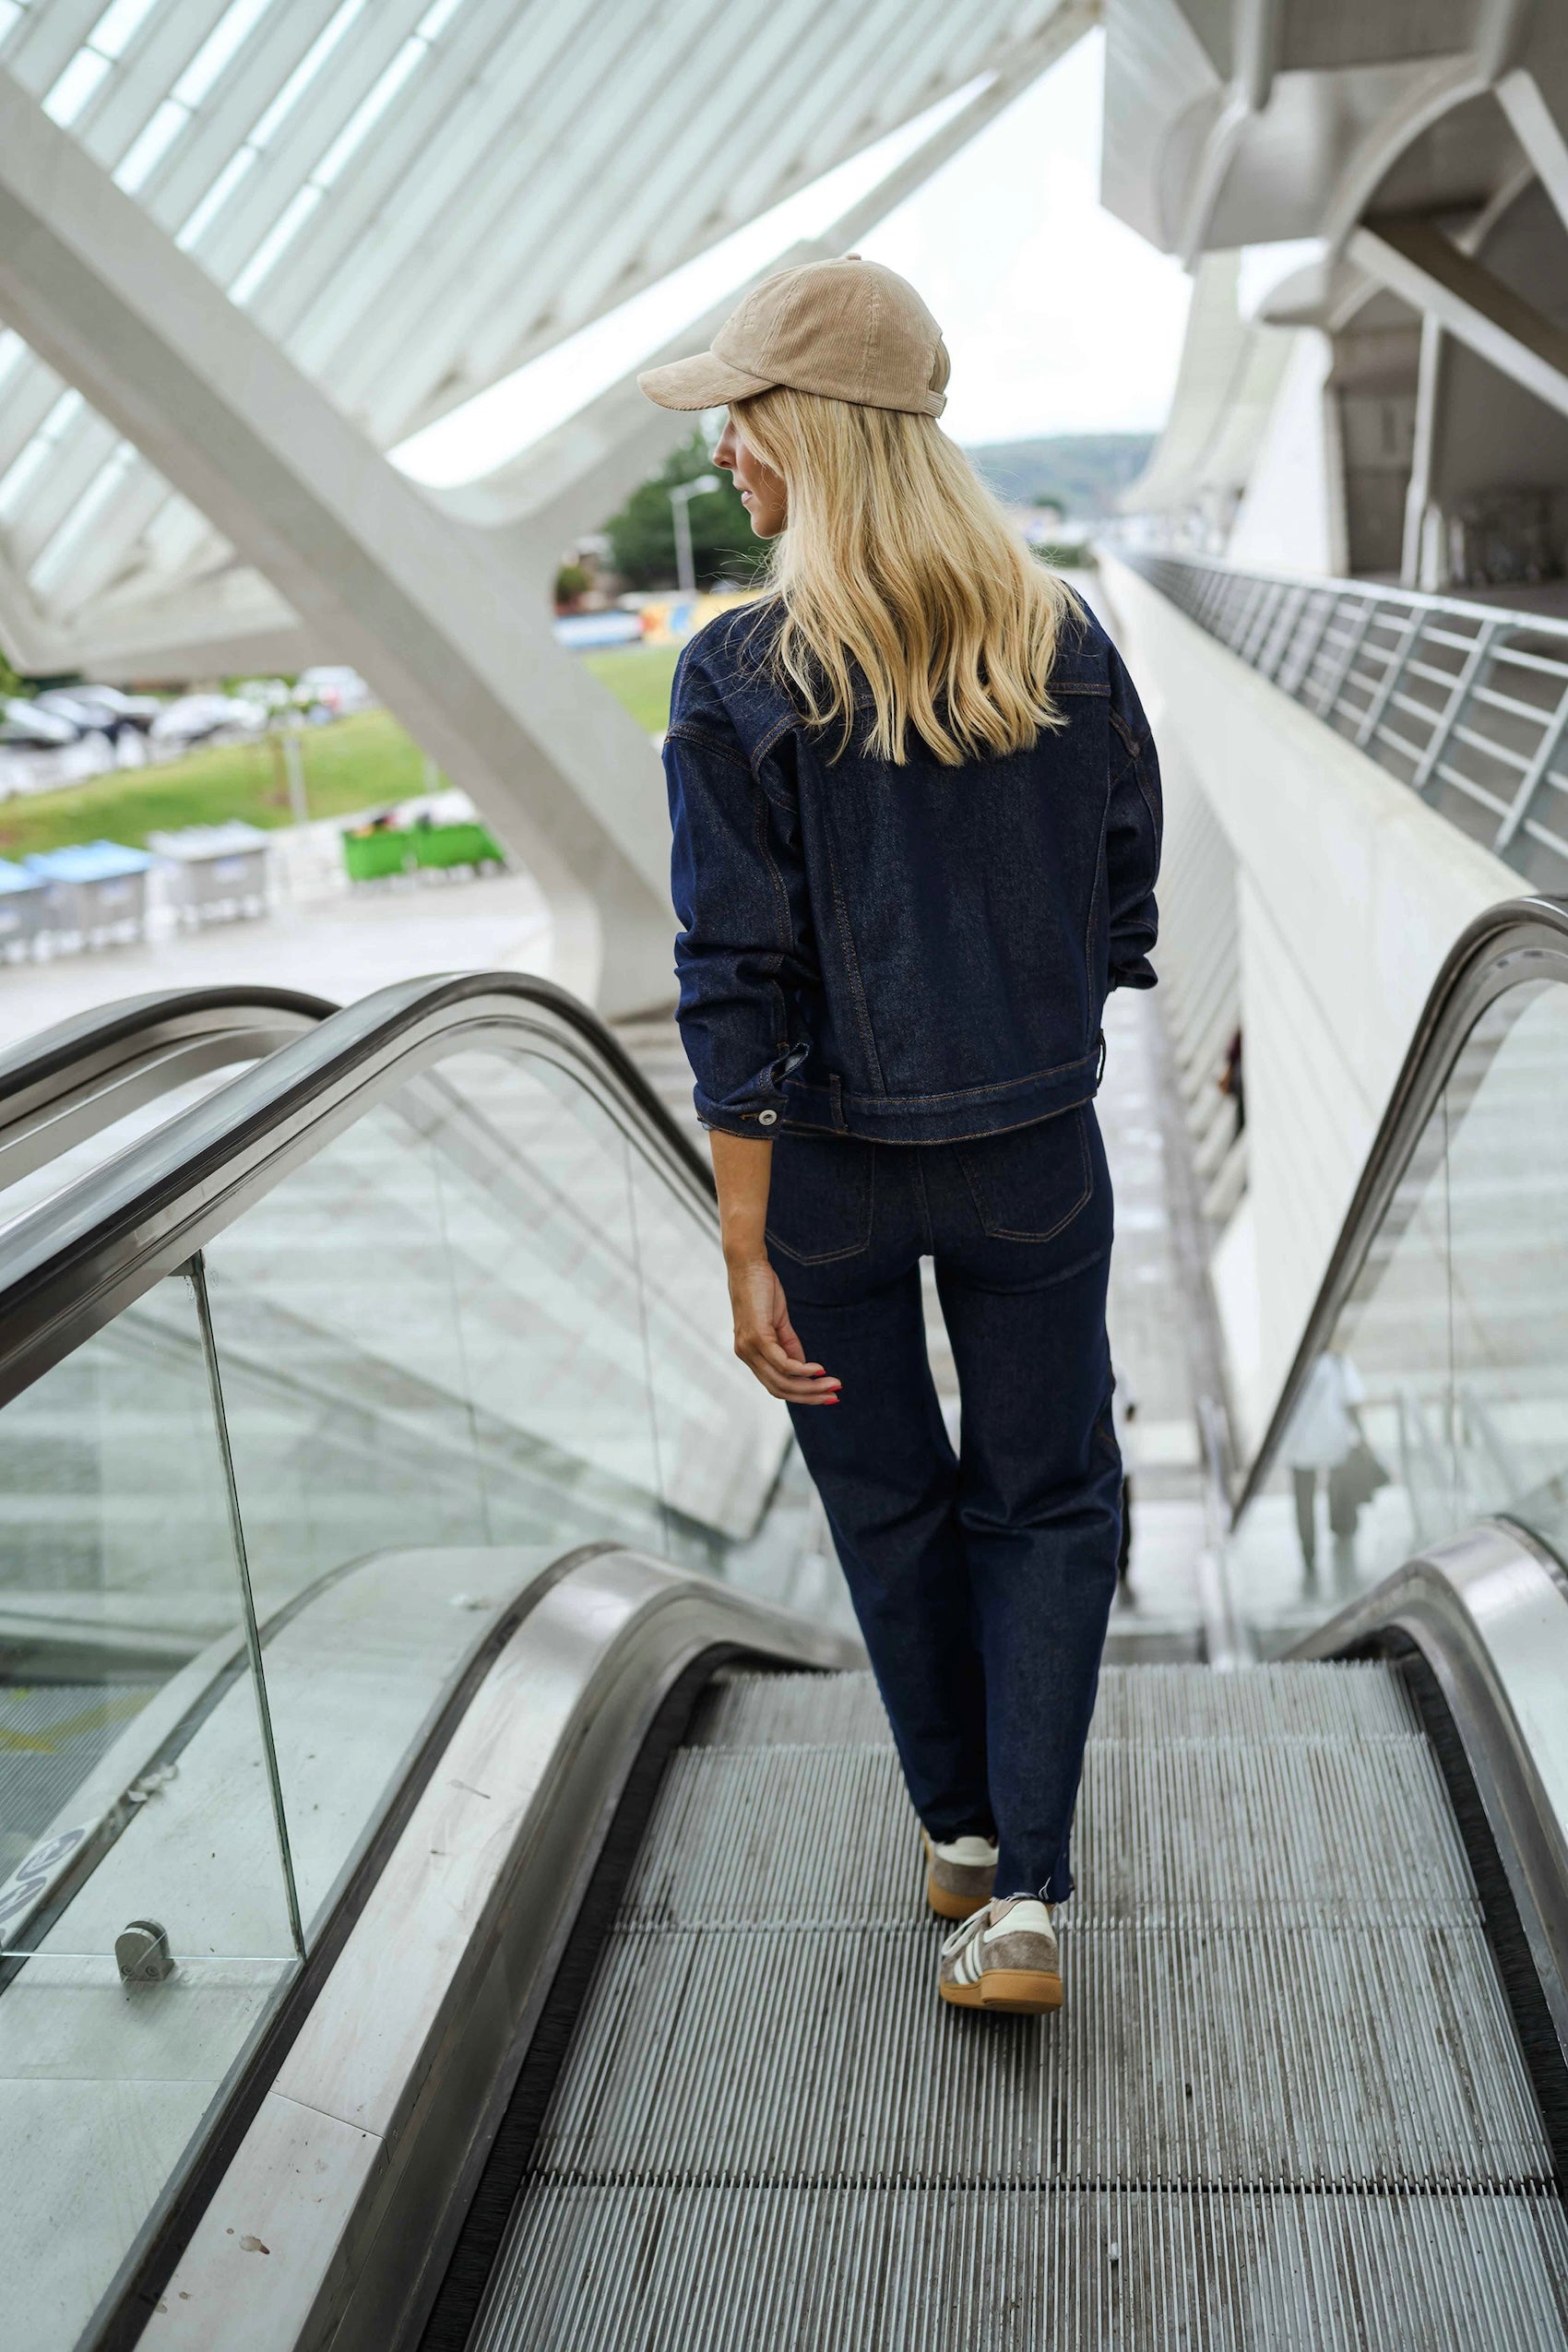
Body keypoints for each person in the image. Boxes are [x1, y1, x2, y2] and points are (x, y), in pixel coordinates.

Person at [639, 257, 1161, 2017]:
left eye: (740, 414)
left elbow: (735, 973)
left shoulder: (737, 673)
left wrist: (741, 1235)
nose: (720, 446)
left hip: (835, 1182)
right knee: (1051, 1496)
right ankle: (1023, 1894)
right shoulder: (1064, 639)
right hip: (1035, 1160)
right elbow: (1123, 893)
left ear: (808, 433)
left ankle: (955, 1825)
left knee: (888, 1508)